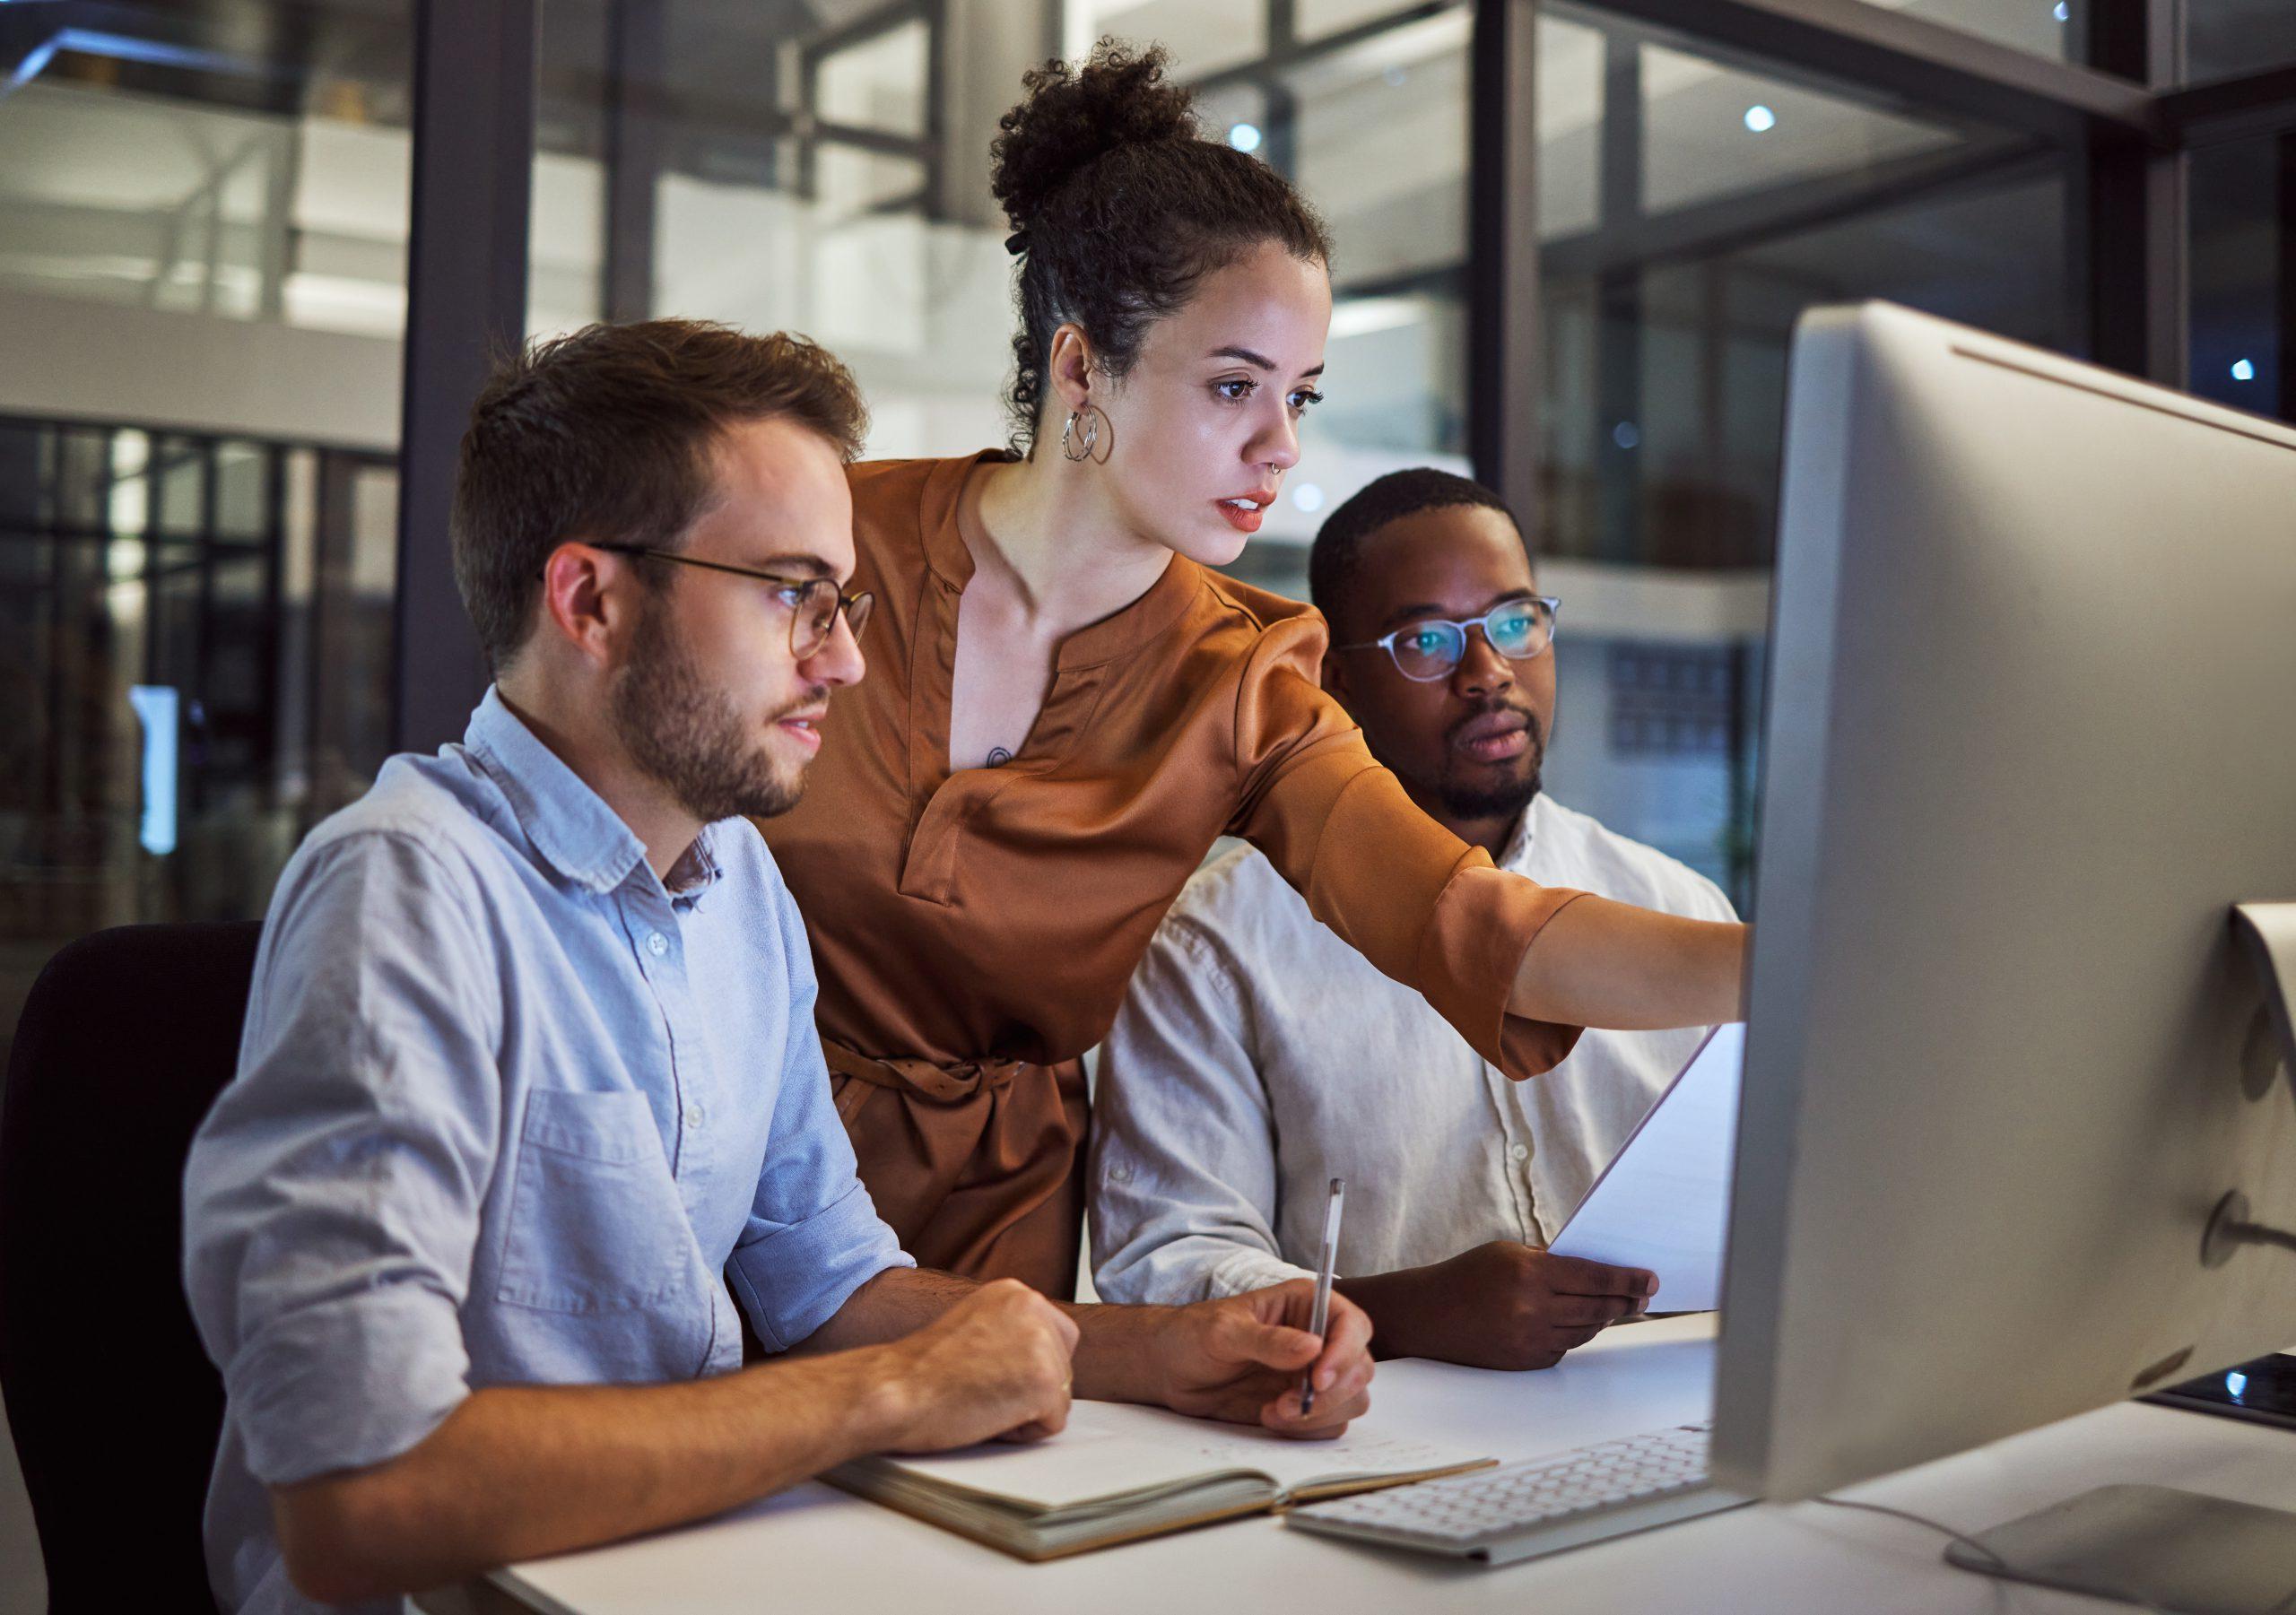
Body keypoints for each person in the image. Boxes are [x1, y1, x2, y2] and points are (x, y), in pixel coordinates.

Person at [181, 321, 1374, 1615]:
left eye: (844, 600)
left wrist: (1163, 1351)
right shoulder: (406, 892)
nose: (846, 658)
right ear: (590, 600)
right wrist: (887, 1394)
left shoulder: (738, 879)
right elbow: (359, 1499)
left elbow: (827, 1281)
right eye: (790, 593)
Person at [757, 43, 1749, 1298]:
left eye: (1302, 397)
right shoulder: (822, 547)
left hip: (988, 1249)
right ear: (1079, 368)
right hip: (716, 1170)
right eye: (1235, 386)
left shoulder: (1247, 676)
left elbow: (1472, 921)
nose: (1279, 447)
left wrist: (1793, 964)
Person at [1091, 469, 1739, 1368]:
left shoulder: (1672, 904)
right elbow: (1164, 1267)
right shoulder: (1212, 945)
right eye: (1425, 640)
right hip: (1373, 1435)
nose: (1488, 673)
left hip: (1671, 1407)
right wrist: (1409, 1312)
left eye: (1516, 622)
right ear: (1334, 679)